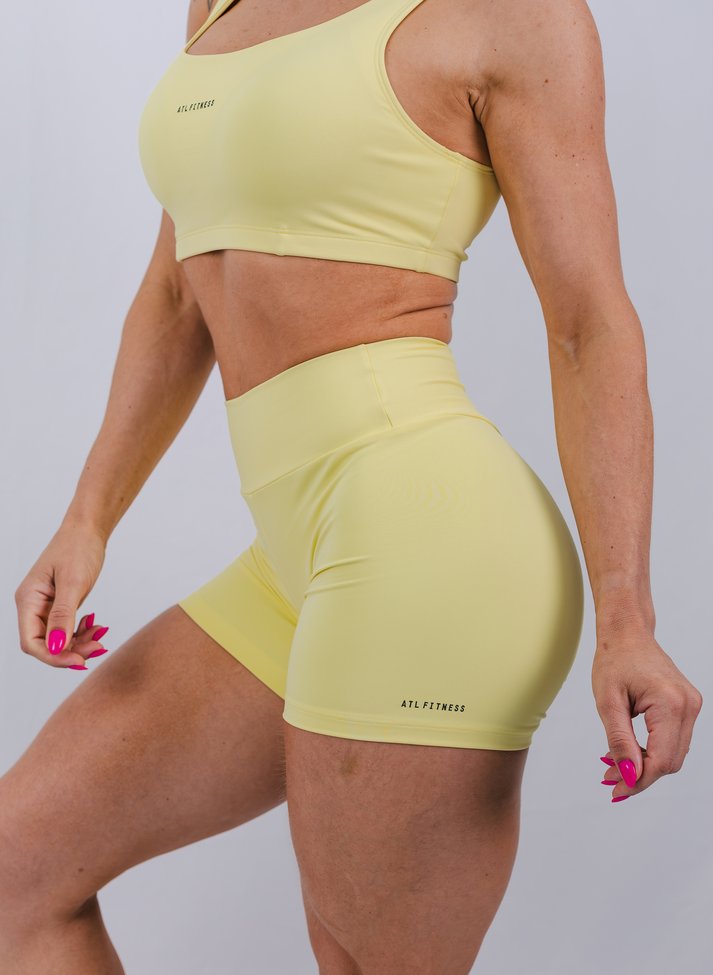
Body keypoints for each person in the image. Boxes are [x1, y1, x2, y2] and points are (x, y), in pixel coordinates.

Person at [7, 1, 703, 972]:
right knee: (19, 875)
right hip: (293, 558)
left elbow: (587, 321)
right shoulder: (217, 4)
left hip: (428, 542)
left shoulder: (512, 15)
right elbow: (175, 291)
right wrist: (88, 517)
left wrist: (625, 618)